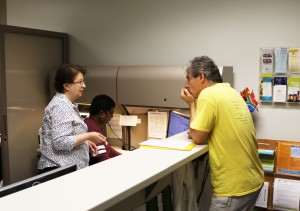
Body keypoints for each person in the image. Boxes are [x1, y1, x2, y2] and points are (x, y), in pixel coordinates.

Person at [180, 56, 264, 211]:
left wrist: (191, 103)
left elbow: (197, 137)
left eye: (188, 79)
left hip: (233, 188)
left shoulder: (208, 94)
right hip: (253, 179)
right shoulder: (231, 92)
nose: (186, 85)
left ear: (201, 77)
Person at [37, 64, 106, 174]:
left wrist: (85, 142)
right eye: (80, 82)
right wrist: (88, 136)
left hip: (67, 169)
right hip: (58, 170)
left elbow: (69, 135)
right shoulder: (60, 106)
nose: (84, 85)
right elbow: (60, 142)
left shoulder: (69, 105)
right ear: (67, 86)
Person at [84, 95, 121, 165]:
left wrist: (123, 157)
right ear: (102, 114)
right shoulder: (91, 128)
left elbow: (108, 149)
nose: (112, 116)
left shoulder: (92, 124)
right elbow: (102, 159)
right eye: (111, 113)